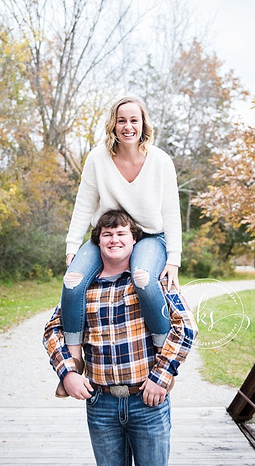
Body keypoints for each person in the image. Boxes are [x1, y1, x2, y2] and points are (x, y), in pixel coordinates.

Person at [44, 209, 196, 466]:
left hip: (147, 401)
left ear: (135, 239)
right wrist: (68, 374)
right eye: (107, 234)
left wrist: (161, 376)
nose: (114, 239)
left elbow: (186, 327)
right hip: (101, 404)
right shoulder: (82, 288)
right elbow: (53, 330)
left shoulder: (153, 280)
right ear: (98, 242)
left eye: (121, 233)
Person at [58, 96, 183, 396]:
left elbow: (171, 212)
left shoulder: (161, 161)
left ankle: (164, 362)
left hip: (151, 237)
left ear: (143, 124)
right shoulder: (97, 159)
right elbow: (83, 204)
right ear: (113, 124)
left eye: (134, 120)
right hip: (109, 233)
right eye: (122, 120)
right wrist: (72, 245)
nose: (128, 126)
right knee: (72, 282)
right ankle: (75, 360)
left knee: (142, 279)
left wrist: (174, 258)